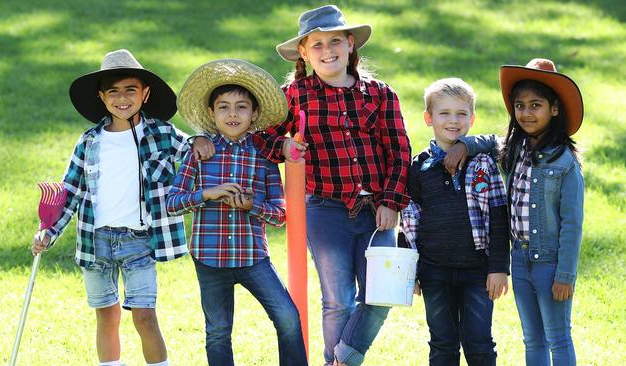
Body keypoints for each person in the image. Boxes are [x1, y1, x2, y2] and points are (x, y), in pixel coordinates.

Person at [31, 49, 213, 366]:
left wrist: (198, 139)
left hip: (140, 240)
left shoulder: (163, 134)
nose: (122, 98)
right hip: (96, 241)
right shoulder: (89, 141)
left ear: (145, 93)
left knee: (144, 316)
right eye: (113, 91)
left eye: (130, 89)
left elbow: (192, 152)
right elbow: (70, 191)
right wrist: (49, 232)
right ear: (102, 98)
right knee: (107, 315)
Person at [253, 5, 411, 366]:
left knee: (381, 294)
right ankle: (335, 362)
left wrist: (391, 200)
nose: (328, 51)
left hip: (376, 210)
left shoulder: (380, 94)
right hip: (324, 209)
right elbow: (260, 136)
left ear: (350, 44)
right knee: (338, 298)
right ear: (304, 53)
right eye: (318, 44)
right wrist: (284, 146)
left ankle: (342, 360)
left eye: (335, 41)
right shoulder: (293, 95)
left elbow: (399, 149)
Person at [166, 59, 308, 366]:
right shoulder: (199, 152)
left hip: (252, 257)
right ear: (210, 113)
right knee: (218, 331)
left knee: (287, 318)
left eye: (241, 107)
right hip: (209, 256)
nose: (232, 114)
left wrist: (251, 206)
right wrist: (208, 194)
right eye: (224, 107)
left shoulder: (264, 157)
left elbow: (281, 214)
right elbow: (173, 202)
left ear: (254, 114)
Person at [460, 58, 585, 365]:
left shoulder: (565, 162)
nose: (526, 113)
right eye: (520, 105)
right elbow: (490, 142)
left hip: (550, 262)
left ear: (554, 109)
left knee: (558, 336)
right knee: (532, 338)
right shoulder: (516, 148)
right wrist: (465, 145)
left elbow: (572, 223)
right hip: (520, 259)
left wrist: (565, 275)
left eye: (536, 105)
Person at [399, 78, 509, 365]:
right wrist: (411, 270)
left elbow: (498, 217)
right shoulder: (419, 166)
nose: (453, 120)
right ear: (428, 118)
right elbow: (409, 220)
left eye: (461, 114)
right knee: (442, 343)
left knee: (479, 343)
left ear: (472, 119)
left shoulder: (483, 163)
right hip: (434, 271)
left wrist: (498, 268)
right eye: (444, 113)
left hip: (478, 271)